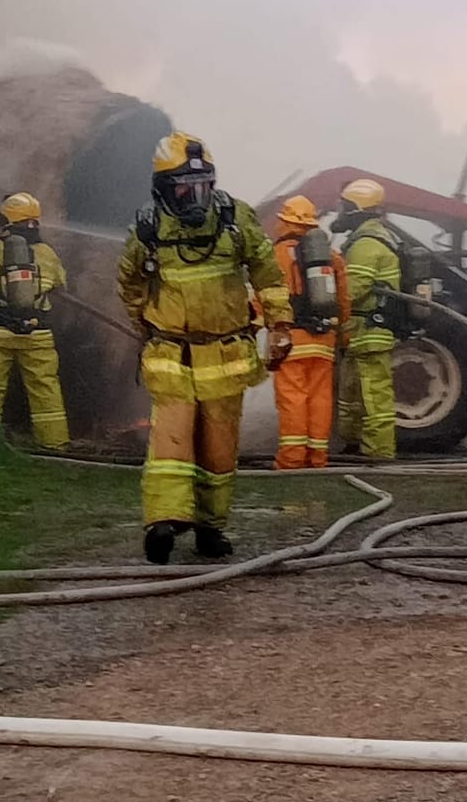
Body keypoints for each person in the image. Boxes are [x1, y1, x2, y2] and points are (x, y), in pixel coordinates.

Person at [118, 131, 292, 564]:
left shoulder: (236, 220)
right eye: (184, 188)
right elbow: (131, 285)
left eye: (203, 186)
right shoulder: (147, 229)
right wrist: (146, 326)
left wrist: (281, 325)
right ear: (163, 189)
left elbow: (268, 276)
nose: (195, 197)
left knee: (218, 450)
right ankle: (162, 522)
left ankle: (210, 528)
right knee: (171, 444)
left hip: (226, 355)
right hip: (171, 354)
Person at [0, 191, 69, 450]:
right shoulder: (47, 253)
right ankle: (55, 444)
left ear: (5, 220)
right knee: (45, 391)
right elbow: (61, 283)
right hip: (37, 334)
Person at [270, 195, 350, 469]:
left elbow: (263, 297)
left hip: (290, 339)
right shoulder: (331, 256)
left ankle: (291, 461)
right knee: (320, 398)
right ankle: (317, 458)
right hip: (324, 339)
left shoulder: (277, 255)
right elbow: (343, 300)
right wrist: (342, 333)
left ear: (286, 222)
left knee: (293, 398)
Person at [330, 177, 400, 461]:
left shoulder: (367, 244)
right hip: (358, 333)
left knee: (374, 398)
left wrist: (322, 300)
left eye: (345, 206)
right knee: (353, 395)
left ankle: (379, 454)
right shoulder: (365, 239)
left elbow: (354, 289)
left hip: (369, 331)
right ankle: (354, 445)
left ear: (357, 208)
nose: (341, 212)